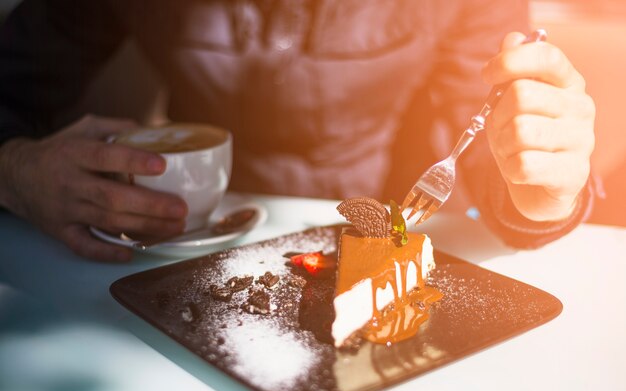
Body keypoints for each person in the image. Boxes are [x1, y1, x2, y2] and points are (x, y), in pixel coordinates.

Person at [0, 0, 596, 262]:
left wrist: (541, 195)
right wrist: (15, 171)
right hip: (180, 253)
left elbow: (488, 136)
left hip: (376, 249)